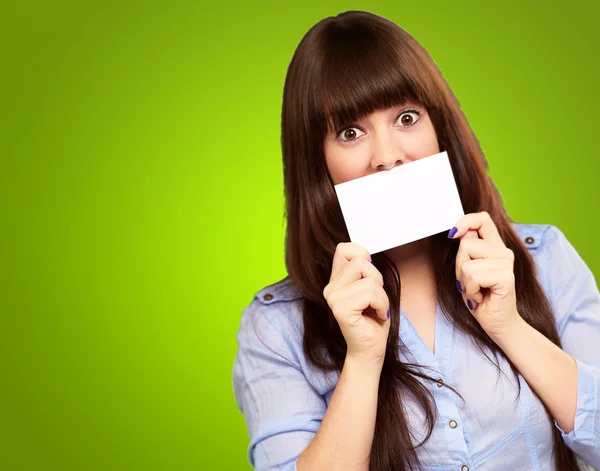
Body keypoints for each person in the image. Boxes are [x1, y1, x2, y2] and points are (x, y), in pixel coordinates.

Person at [232, 10, 600, 471]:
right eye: (350, 132)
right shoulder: (276, 329)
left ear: (439, 129)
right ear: (317, 163)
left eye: (407, 117)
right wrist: (363, 361)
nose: (388, 156)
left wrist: (510, 327)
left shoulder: (543, 258)